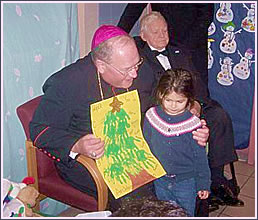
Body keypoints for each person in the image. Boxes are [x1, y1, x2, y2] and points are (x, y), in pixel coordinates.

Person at [29, 24, 209, 212]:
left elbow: (163, 100)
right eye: (127, 69)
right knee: (144, 205)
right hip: (93, 160)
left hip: (138, 148)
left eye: (136, 64)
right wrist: (76, 144)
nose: (135, 73)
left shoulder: (140, 68)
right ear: (101, 65)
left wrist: (191, 121)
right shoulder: (66, 83)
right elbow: (40, 131)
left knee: (187, 174)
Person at [137, 11, 244, 215]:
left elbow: (196, 82)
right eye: (156, 32)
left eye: (165, 30)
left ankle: (216, 180)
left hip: (193, 105)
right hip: (168, 111)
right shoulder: (141, 61)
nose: (162, 36)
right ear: (143, 35)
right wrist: (181, 108)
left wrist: (196, 105)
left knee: (219, 116)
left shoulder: (180, 52)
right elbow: (149, 96)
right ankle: (200, 182)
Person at [143, 68, 211, 216]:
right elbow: (146, 145)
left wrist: (203, 184)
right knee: (163, 213)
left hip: (186, 182)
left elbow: (200, 158)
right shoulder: (151, 116)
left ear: (189, 99)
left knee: (185, 214)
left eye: (180, 101)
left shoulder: (194, 124)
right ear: (161, 95)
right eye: (168, 100)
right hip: (160, 179)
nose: (173, 106)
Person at [117, 3, 214, 93]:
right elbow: (134, 8)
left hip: (192, 46)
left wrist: (185, 47)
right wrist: (116, 36)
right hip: (163, 42)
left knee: (196, 90)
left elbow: (206, 14)